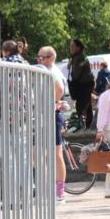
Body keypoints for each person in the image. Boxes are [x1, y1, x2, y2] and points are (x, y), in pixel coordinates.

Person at [35, 46, 69, 204]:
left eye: (41, 57)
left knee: (56, 154)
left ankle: (59, 193)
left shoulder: (51, 71)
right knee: (39, 154)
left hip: (52, 115)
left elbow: (60, 88)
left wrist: (52, 103)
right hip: (47, 114)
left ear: (49, 58)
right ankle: (48, 190)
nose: (38, 60)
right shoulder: (47, 70)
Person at [68, 39, 96, 130]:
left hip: (83, 86)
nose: (71, 48)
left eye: (73, 46)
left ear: (78, 48)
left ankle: (82, 126)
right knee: (87, 107)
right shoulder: (78, 57)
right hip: (86, 85)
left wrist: (71, 66)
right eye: (70, 46)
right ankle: (88, 126)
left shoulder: (79, 58)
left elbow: (75, 74)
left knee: (82, 107)